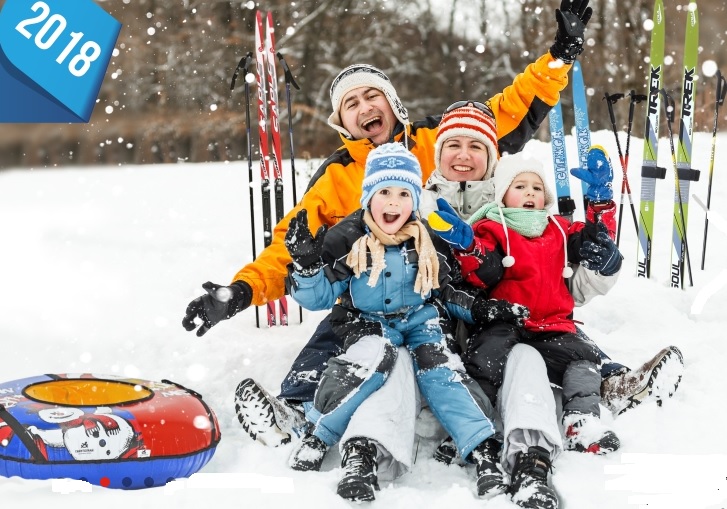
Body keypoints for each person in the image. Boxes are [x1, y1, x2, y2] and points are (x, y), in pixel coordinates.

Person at [282, 142, 522, 501]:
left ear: (414, 199)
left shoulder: (427, 241)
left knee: (441, 369)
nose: (393, 202)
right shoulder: (351, 240)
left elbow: (445, 293)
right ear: (367, 197)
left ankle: (483, 449)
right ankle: (319, 433)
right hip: (368, 323)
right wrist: (305, 266)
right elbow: (317, 297)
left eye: (402, 193)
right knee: (367, 362)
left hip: (421, 322)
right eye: (383, 192)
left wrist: (481, 309)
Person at [431, 147, 623, 456]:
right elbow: (485, 271)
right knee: (483, 363)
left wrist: (600, 205)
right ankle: (468, 425)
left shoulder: (559, 229)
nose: (529, 193)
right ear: (503, 194)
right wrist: (468, 246)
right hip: (505, 321)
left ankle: (582, 421)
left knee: (583, 360)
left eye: (536, 188)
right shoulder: (490, 228)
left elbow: (592, 241)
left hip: (552, 325)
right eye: (520, 187)